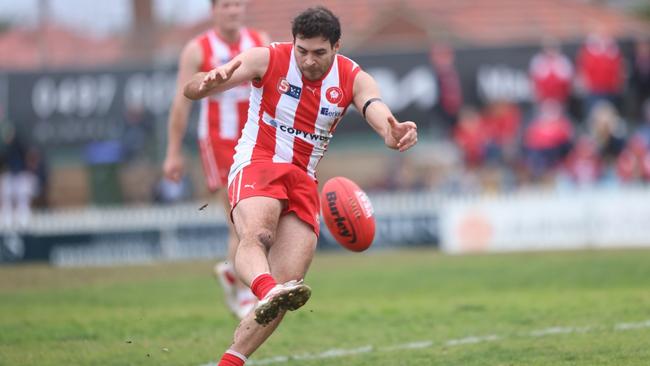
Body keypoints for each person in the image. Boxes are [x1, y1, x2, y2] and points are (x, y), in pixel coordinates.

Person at [184, 6, 417, 365]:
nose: (308, 60)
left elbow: (375, 107)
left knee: (290, 284)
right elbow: (194, 88)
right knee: (257, 237)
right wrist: (204, 84)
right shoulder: (267, 57)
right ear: (293, 43)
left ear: (336, 47)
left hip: (303, 177)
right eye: (302, 50)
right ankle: (264, 289)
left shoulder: (353, 78)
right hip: (259, 162)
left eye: (319, 53)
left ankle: (231, 360)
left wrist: (391, 130)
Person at [163, 0, 268, 320]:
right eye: (225, 5)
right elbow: (182, 101)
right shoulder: (198, 49)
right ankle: (243, 293)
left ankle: (233, 273)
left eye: (237, 4)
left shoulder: (260, 41)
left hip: (258, 141)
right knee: (239, 219)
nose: (233, 11)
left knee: (259, 219)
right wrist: (173, 151)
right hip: (219, 142)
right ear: (214, 10)